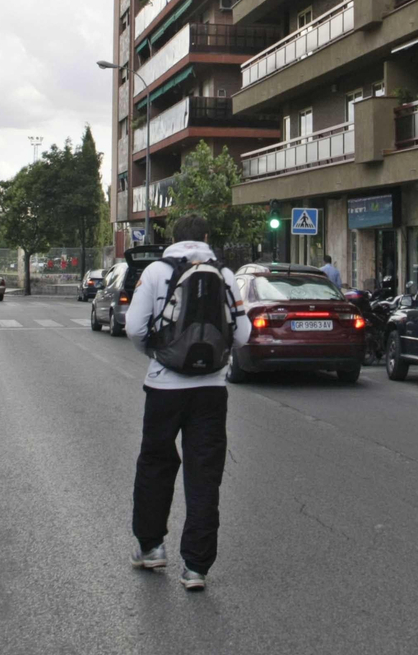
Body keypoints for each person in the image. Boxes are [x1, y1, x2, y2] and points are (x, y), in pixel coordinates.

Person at [125, 214, 250, 591]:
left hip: (163, 389)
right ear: (207, 237)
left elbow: (134, 326)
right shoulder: (225, 276)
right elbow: (243, 333)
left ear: (173, 239)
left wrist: (157, 352)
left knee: (155, 466)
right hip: (211, 392)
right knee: (204, 474)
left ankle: (151, 548)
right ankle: (196, 567)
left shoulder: (157, 272)